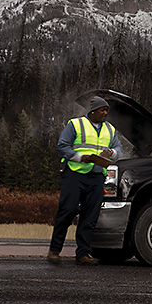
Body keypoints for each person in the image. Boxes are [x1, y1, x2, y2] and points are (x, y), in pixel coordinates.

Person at [47, 96, 121, 265]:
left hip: (97, 176)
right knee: (68, 210)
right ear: (93, 111)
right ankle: (54, 250)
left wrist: (111, 153)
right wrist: (82, 158)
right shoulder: (75, 124)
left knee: (90, 216)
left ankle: (83, 254)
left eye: (107, 110)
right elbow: (62, 146)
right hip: (75, 173)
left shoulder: (110, 129)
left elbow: (118, 149)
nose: (105, 113)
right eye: (102, 110)